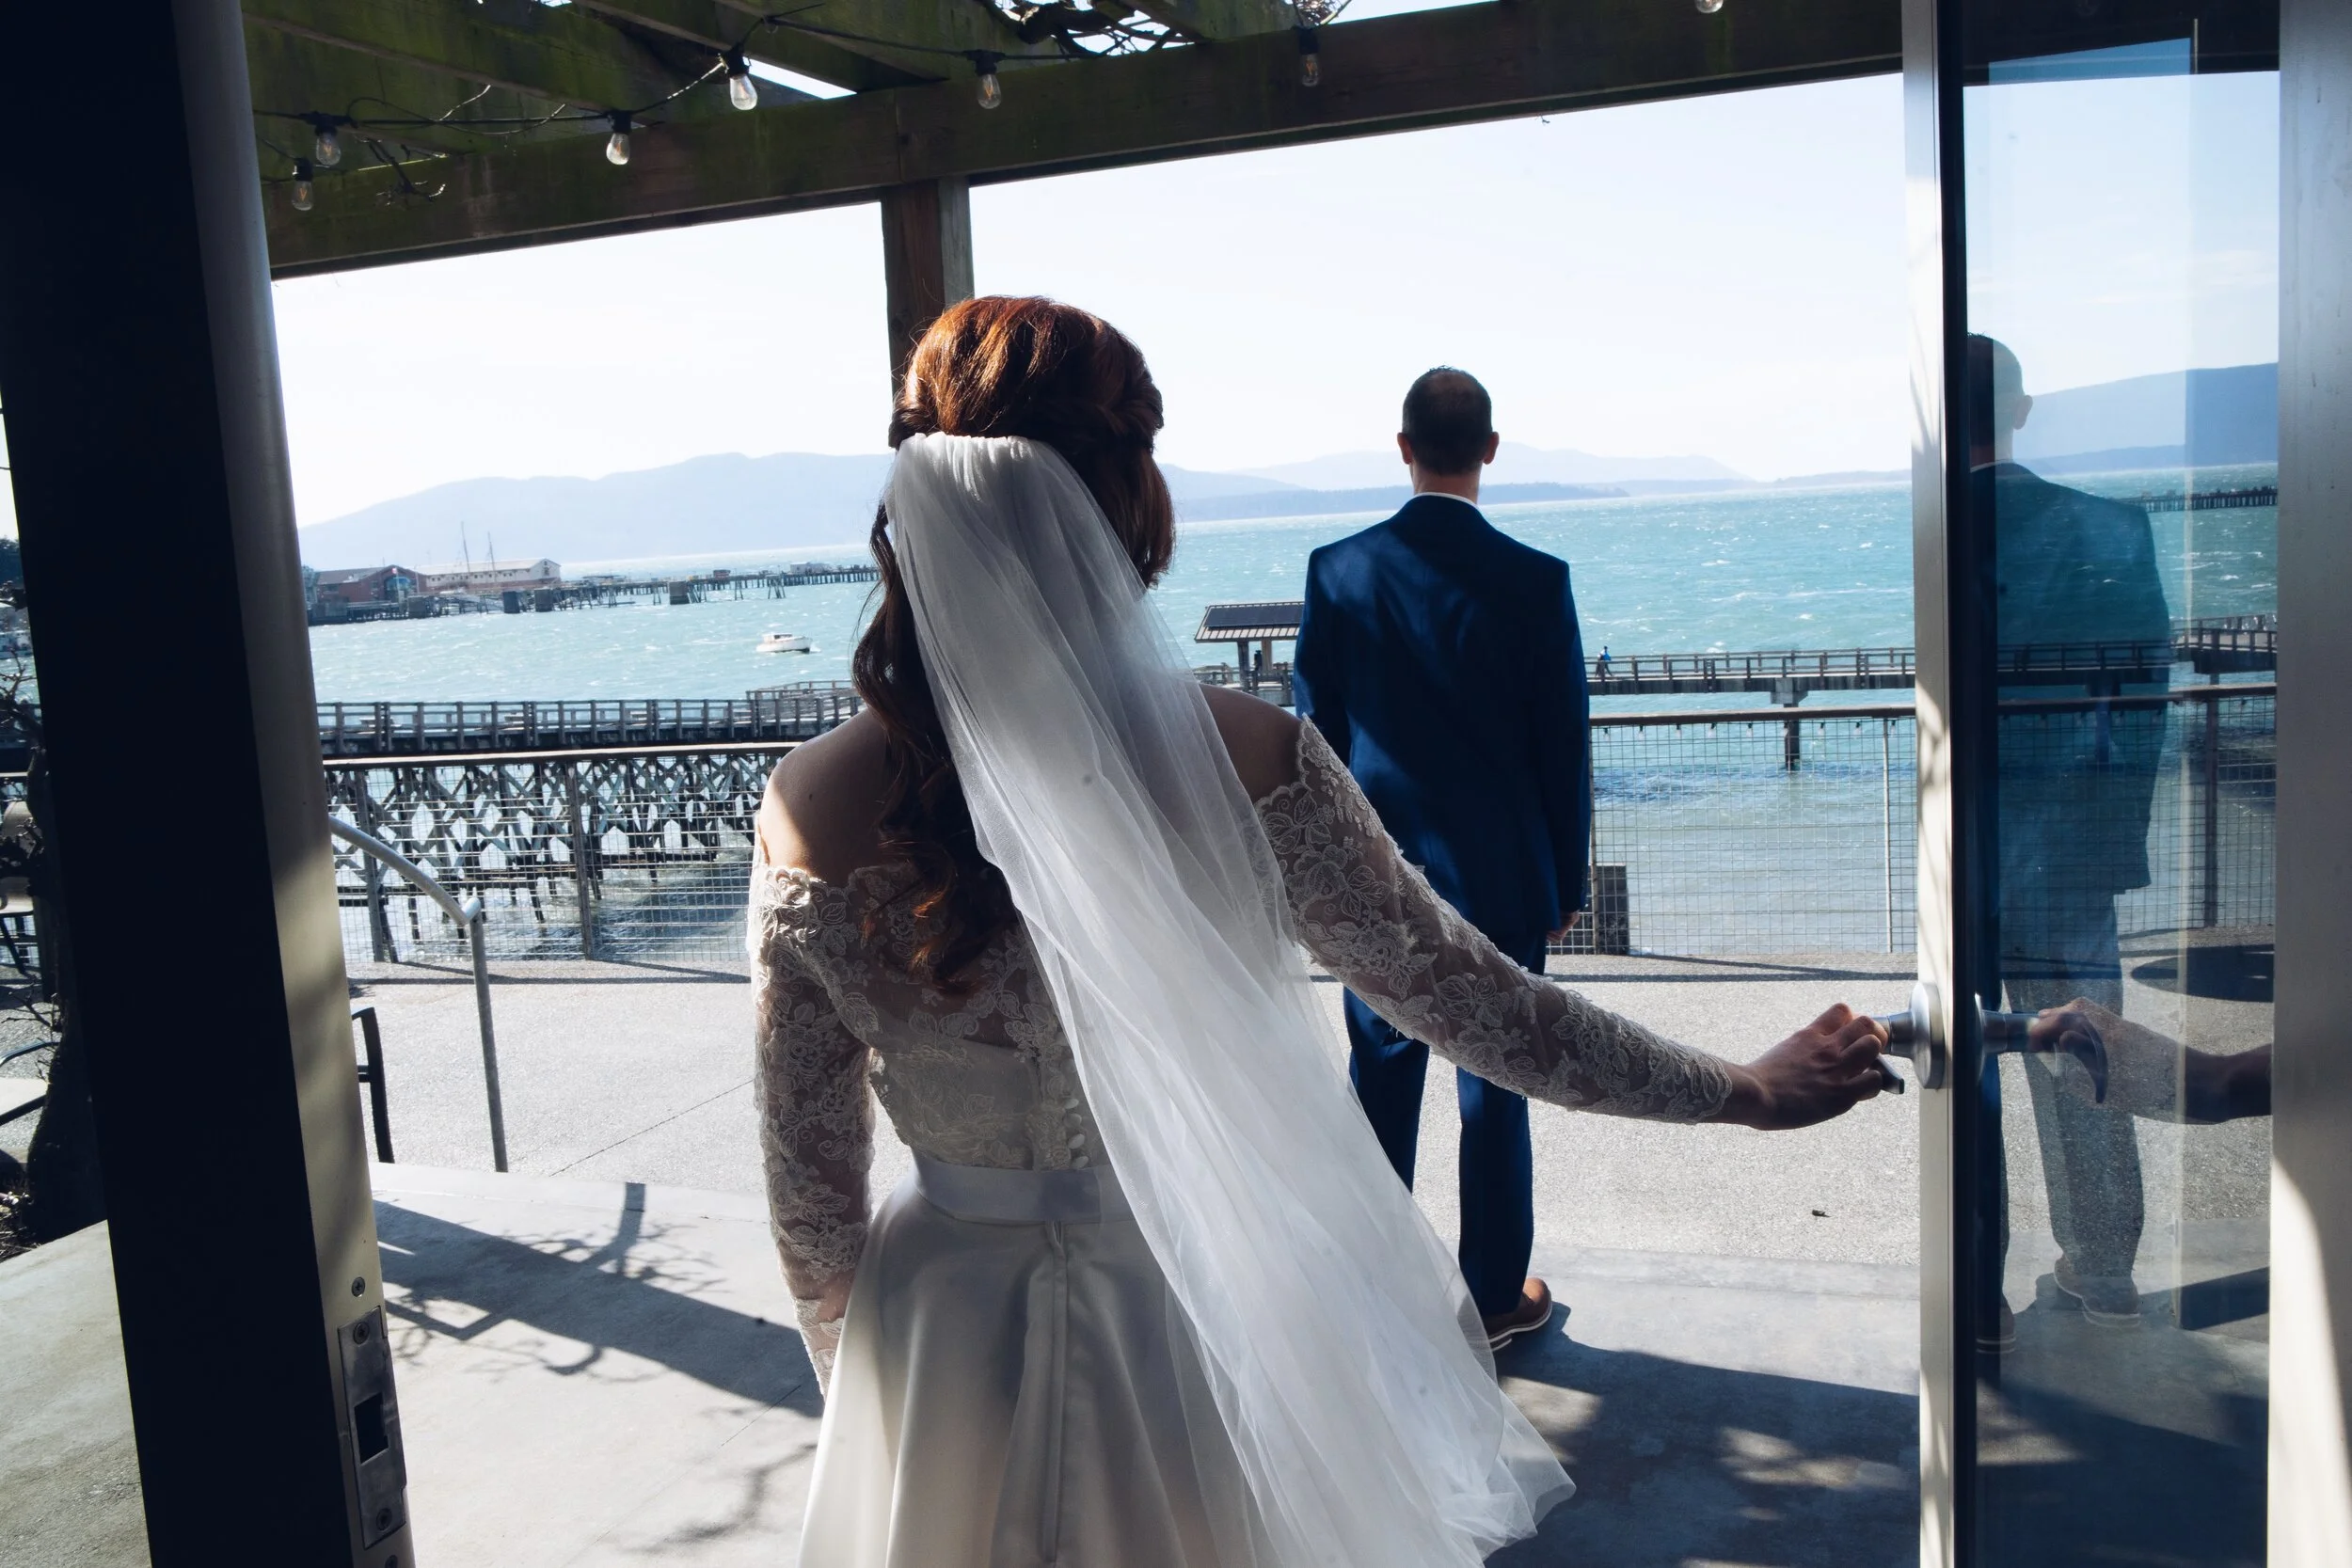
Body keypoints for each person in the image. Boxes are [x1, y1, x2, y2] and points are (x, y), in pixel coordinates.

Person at [751, 296, 1889, 1567]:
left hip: (936, 1327)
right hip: (1196, 1314)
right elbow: (1475, 1000)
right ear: (1124, 505)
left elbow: (810, 1181)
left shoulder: (805, 803)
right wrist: (1734, 1087)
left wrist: (866, 1381)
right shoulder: (1247, 759)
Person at [1289, 367, 1590, 1347]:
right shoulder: (1539, 581)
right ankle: (1496, 1296)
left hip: (1379, 874)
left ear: (1403, 446)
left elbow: (1315, 742)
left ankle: (1376, 1290)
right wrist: (1565, 883)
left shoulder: (1336, 571)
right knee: (1496, 1090)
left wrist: (1319, 876)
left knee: (1380, 1082)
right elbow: (1563, 746)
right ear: (1490, 450)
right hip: (1502, 877)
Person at [1973, 334, 2172, 1334]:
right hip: (2071, 857)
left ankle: (1974, 1293)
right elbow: (2142, 699)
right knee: (2088, 1059)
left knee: (1961, 1070)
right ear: (2020, 408)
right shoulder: (2111, 526)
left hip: (1961, 857)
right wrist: (2109, 837)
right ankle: (2102, 1268)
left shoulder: (1934, 529)